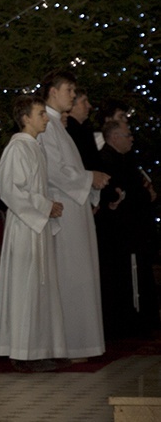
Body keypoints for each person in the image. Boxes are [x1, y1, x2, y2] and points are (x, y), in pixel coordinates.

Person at [37, 69, 110, 359]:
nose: (73, 95)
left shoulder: (58, 126)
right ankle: (69, 343)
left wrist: (90, 186)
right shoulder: (46, 126)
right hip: (62, 211)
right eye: (69, 90)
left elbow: (68, 168)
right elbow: (54, 171)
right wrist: (88, 178)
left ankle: (81, 341)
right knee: (70, 273)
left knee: (81, 272)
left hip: (74, 209)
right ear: (53, 92)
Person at [0, 95, 67, 371]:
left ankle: (41, 347)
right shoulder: (18, 148)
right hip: (24, 227)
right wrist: (46, 206)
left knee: (40, 288)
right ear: (25, 118)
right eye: (40, 113)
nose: (46, 118)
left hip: (36, 225)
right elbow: (11, 190)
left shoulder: (35, 147)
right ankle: (22, 352)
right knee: (26, 288)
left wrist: (49, 206)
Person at [96, 121, 159, 339]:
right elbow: (122, 193)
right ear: (114, 137)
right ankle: (129, 323)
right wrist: (144, 195)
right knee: (125, 278)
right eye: (127, 135)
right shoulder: (107, 160)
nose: (132, 138)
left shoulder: (124, 160)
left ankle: (140, 319)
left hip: (132, 230)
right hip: (120, 233)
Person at [66, 88, 101, 170]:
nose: (89, 106)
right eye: (84, 101)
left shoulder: (84, 129)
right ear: (72, 105)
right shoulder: (72, 131)